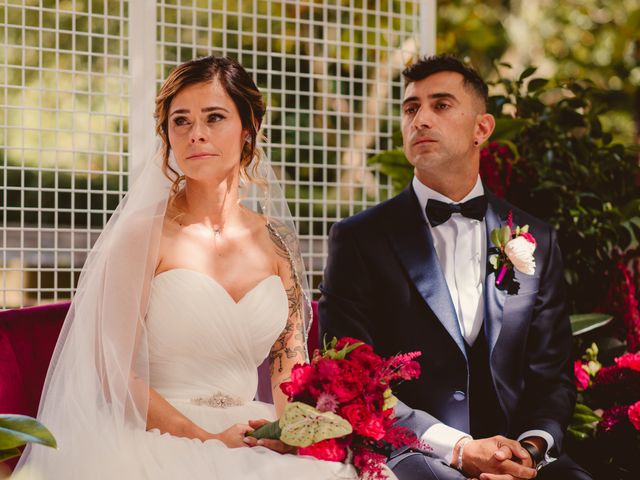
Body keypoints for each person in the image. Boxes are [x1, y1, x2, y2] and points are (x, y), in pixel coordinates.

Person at [16, 56, 363, 479]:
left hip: (249, 430)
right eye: (180, 121)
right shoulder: (142, 237)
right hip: (155, 434)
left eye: (214, 117)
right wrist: (205, 438)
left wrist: (289, 432)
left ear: (248, 126)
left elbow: (288, 367)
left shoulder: (278, 242)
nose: (196, 133)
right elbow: (114, 372)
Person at [318, 54, 592, 480]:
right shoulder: (358, 239)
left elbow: (551, 377)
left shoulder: (536, 236)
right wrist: (461, 450)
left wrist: (529, 450)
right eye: (411, 108)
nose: (420, 119)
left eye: (440, 105)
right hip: (414, 455)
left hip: (521, 459)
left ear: (482, 128)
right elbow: (353, 380)